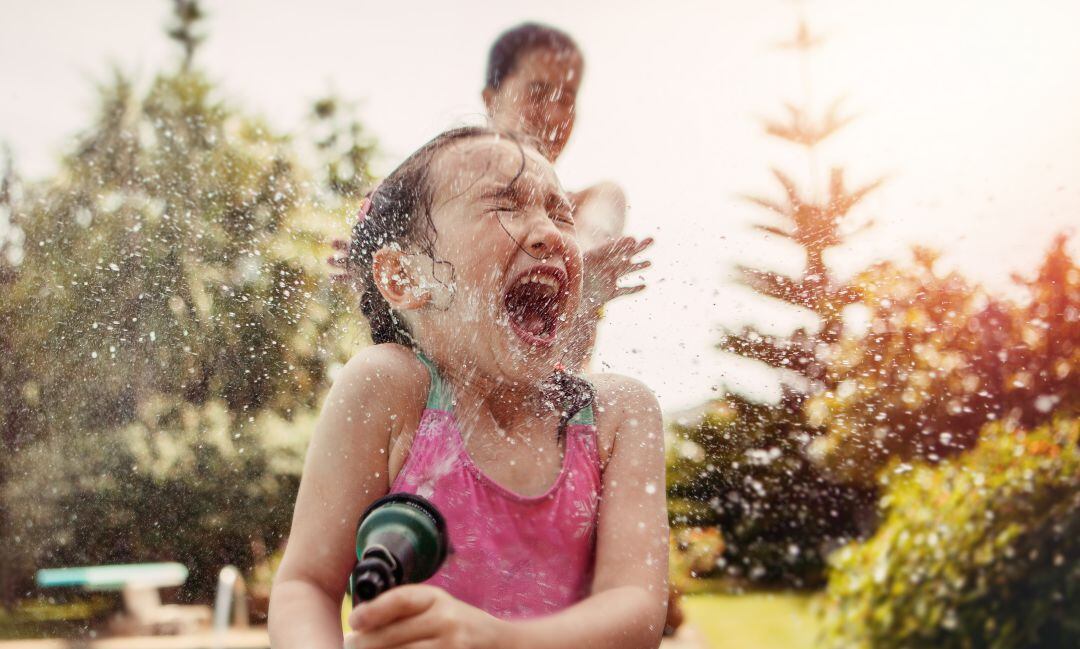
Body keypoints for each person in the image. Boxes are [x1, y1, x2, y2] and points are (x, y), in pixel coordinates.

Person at [270, 126, 668, 649]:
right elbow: (306, 586)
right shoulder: (389, 391)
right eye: (503, 205)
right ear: (405, 278)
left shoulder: (616, 414)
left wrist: (500, 642)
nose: (548, 231)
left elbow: (636, 609)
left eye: (560, 212)